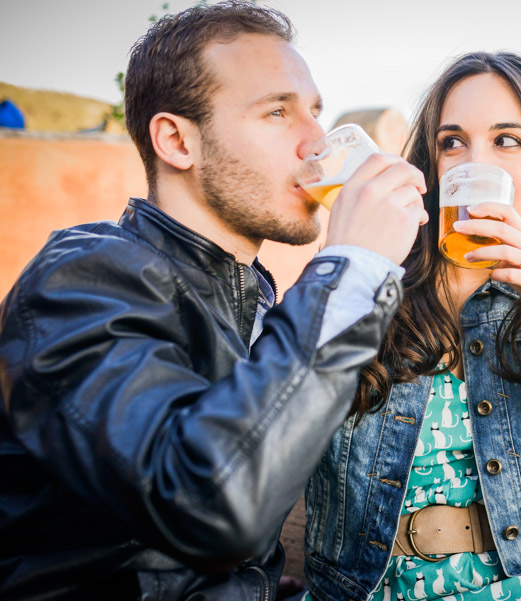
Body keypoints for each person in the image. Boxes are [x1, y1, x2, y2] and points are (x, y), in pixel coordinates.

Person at [0, 2, 428, 599]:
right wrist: (353, 267)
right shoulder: (82, 279)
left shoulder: (250, 294)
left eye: (315, 113)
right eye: (277, 112)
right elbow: (208, 503)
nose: (315, 143)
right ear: (177, 140)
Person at [301, 52, 521, 601]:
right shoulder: (376, 263)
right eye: (452, 142)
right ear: (432, 165)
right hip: (369, 589)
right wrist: (347, 270)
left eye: (507, 140)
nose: (470, 164)